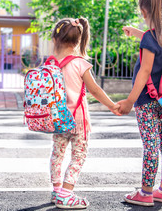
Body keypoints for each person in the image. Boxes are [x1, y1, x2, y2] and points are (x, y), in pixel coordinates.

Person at [49, 17, 121, 209]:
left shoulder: (51, 63)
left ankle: (56, 191)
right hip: (78, 121)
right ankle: (66, 194)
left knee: (57, 154)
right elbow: (95, 90)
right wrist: (112, 106)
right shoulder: (80, 64)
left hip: (58, 119)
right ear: (79, 41)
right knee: (78, 156)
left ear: (55, 39)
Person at [118, 0, 162, 207]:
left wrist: (129, 101)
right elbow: (155, 42)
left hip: (145, 101)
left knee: (150, 145)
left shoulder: (149, 39)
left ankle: (145, 192)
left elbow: (144, 72)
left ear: (144, 12)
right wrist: (138, 33)